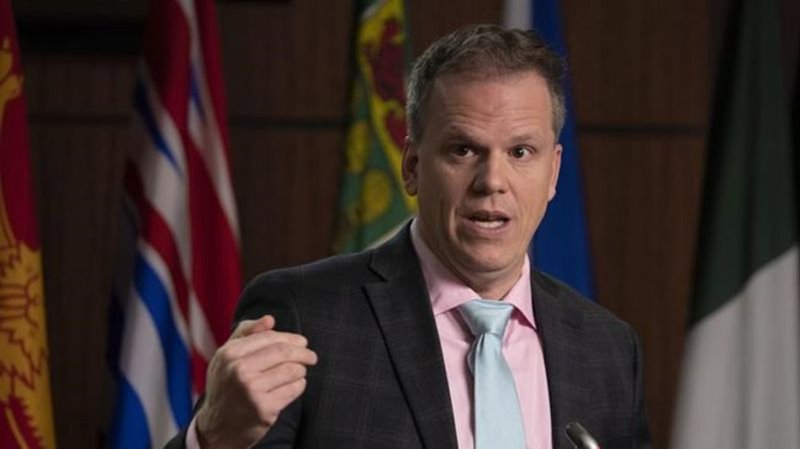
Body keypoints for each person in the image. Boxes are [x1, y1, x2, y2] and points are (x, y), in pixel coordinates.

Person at [166, 24, 651, 449]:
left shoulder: (607, 349)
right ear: (413, 166)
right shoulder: (303, 315)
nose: (492, 181)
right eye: (463, 150)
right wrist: (215, 438)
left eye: (521, 152)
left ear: (553, 173)